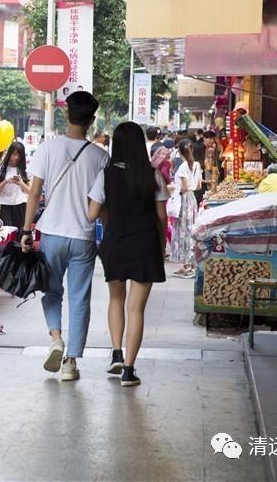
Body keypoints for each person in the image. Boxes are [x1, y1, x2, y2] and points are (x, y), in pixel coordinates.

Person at [20, 91, 109, 381]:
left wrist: (26, 229)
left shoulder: (49, 147)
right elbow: (102, 203)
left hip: (52, 233)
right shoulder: (100, 156)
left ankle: (56, 338)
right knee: (80, 298)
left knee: (51, 290)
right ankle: (71, 362)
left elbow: (34, 192)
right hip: (83, 237)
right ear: (92, 120)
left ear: (65, 114)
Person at [88, 122, 168, 387]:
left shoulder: (105, 175)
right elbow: (161, 217)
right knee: (137, 309)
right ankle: (129, 371)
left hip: (115, 243)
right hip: (145, 244)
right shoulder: (153, 175)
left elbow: (95, 212)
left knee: (115, 300)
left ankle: (116, 354)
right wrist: (160, 246)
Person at [172, 139, 202, 278]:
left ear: (180, 151)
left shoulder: (183, 167)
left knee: (184, 231)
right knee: (190, 230)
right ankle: (187, 265)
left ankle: (189, 266)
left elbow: (184, 187)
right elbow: (198, 187)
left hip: (184, 200)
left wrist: (174, 188)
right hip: (192, 200)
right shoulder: (197, 165)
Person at [0, 141, 30, 231]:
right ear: (9, 154)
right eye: (14, 154)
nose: (16, 158)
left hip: (21, 204)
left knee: (20, 234)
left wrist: (21, 183)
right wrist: (5, 182)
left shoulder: (24, 170)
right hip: (5, 205)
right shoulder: (1, 169)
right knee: (7, 233)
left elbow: (30, 192)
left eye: (19, 155)